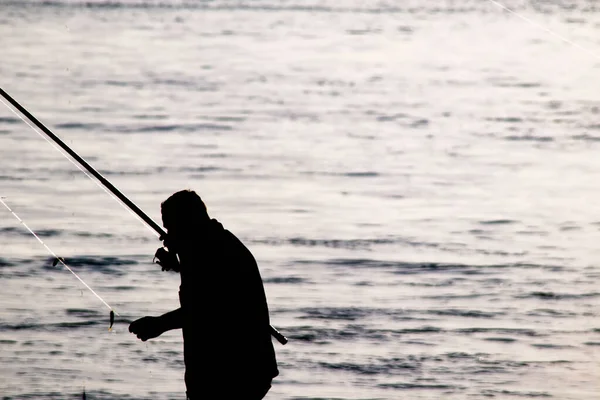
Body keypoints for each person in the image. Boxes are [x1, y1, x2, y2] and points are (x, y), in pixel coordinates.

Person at [129, 189, 279, 399]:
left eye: (171, 228)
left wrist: (158, 324)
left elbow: (205, 309)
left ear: (187, 223)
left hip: (234, 372)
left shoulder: (211, 251)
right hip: (240, 369)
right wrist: (180, 266)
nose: (167, 237)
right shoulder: (210, 244)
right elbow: (213, 287)